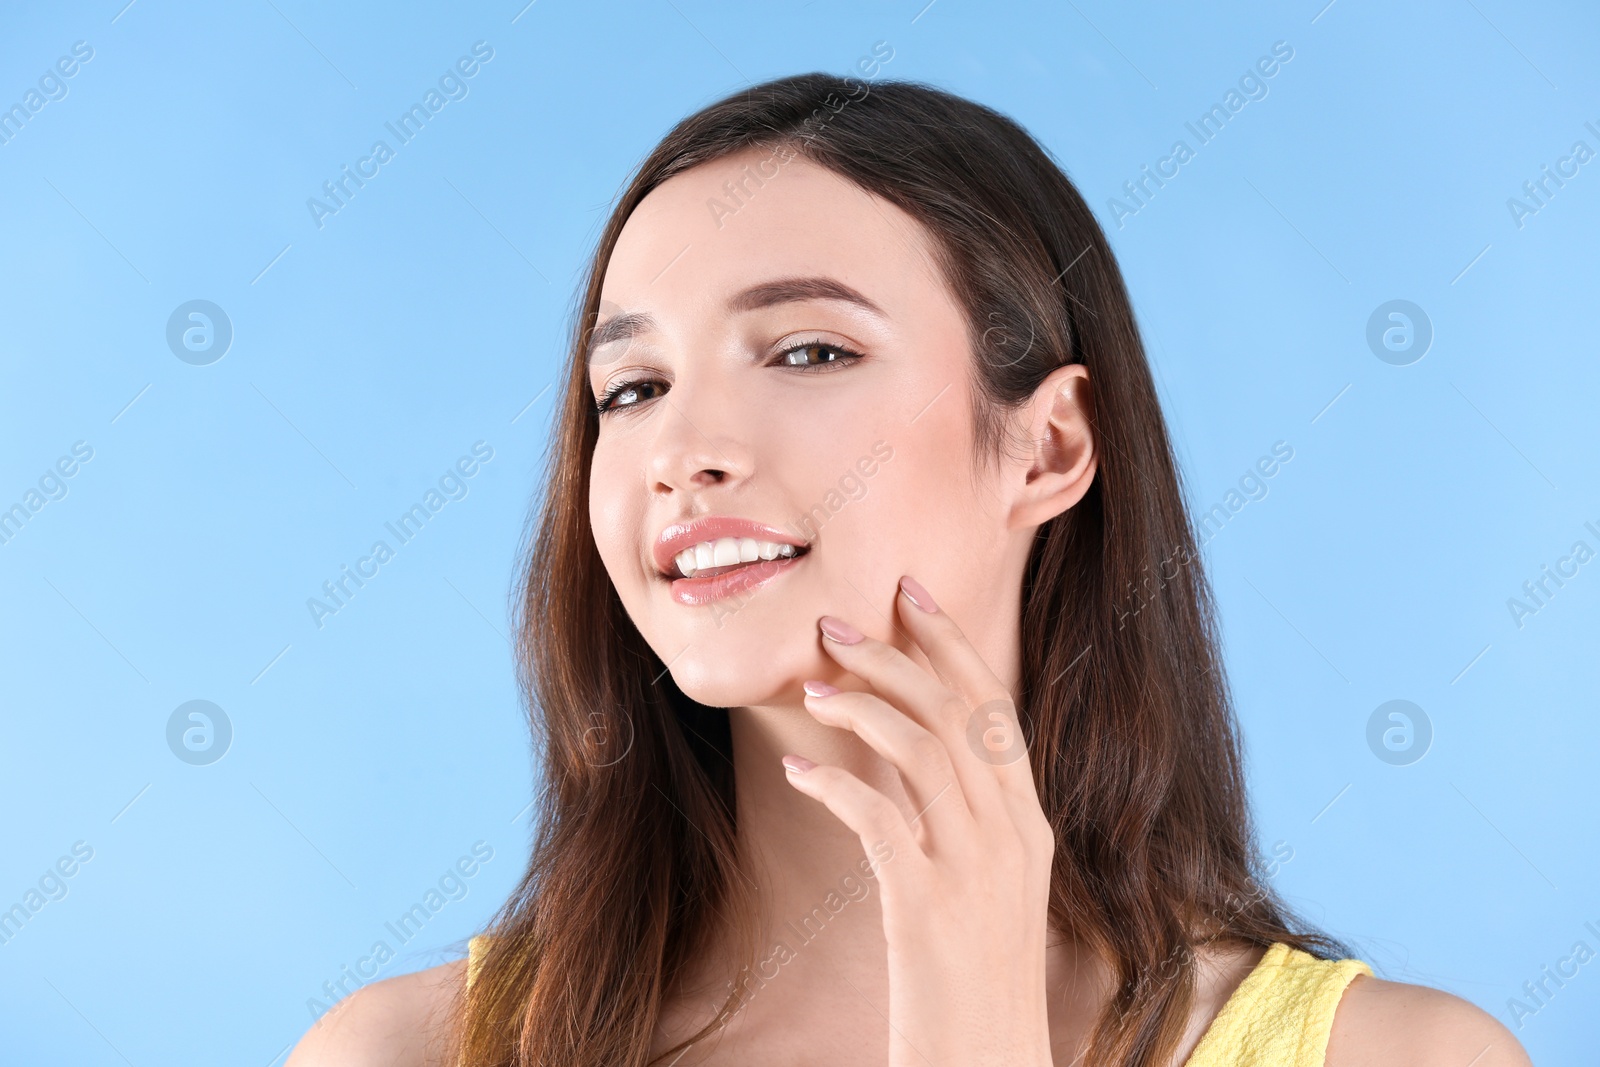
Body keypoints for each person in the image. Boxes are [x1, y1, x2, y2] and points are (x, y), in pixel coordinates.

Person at [288, 73, 1532, 1067]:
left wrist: (974, 1018)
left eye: (810, 352)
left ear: (1046, 446)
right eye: (633, 387)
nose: (682, 451)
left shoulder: (1405, 1056)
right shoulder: (403, 1051)